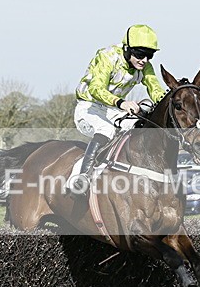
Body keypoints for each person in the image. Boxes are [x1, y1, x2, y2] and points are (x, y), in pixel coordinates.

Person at [69, 24, 167, 194]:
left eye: (149, 55)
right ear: (127, 49)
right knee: (106, 130)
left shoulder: (145, 67)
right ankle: (82, 176)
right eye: (140, 54)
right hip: (89, 107)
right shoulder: (107, 56)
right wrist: (121, 103)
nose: (144, 60)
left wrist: (170, 102)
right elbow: (96, 89)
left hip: (114, 111)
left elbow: (155, 89)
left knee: (141, 127)